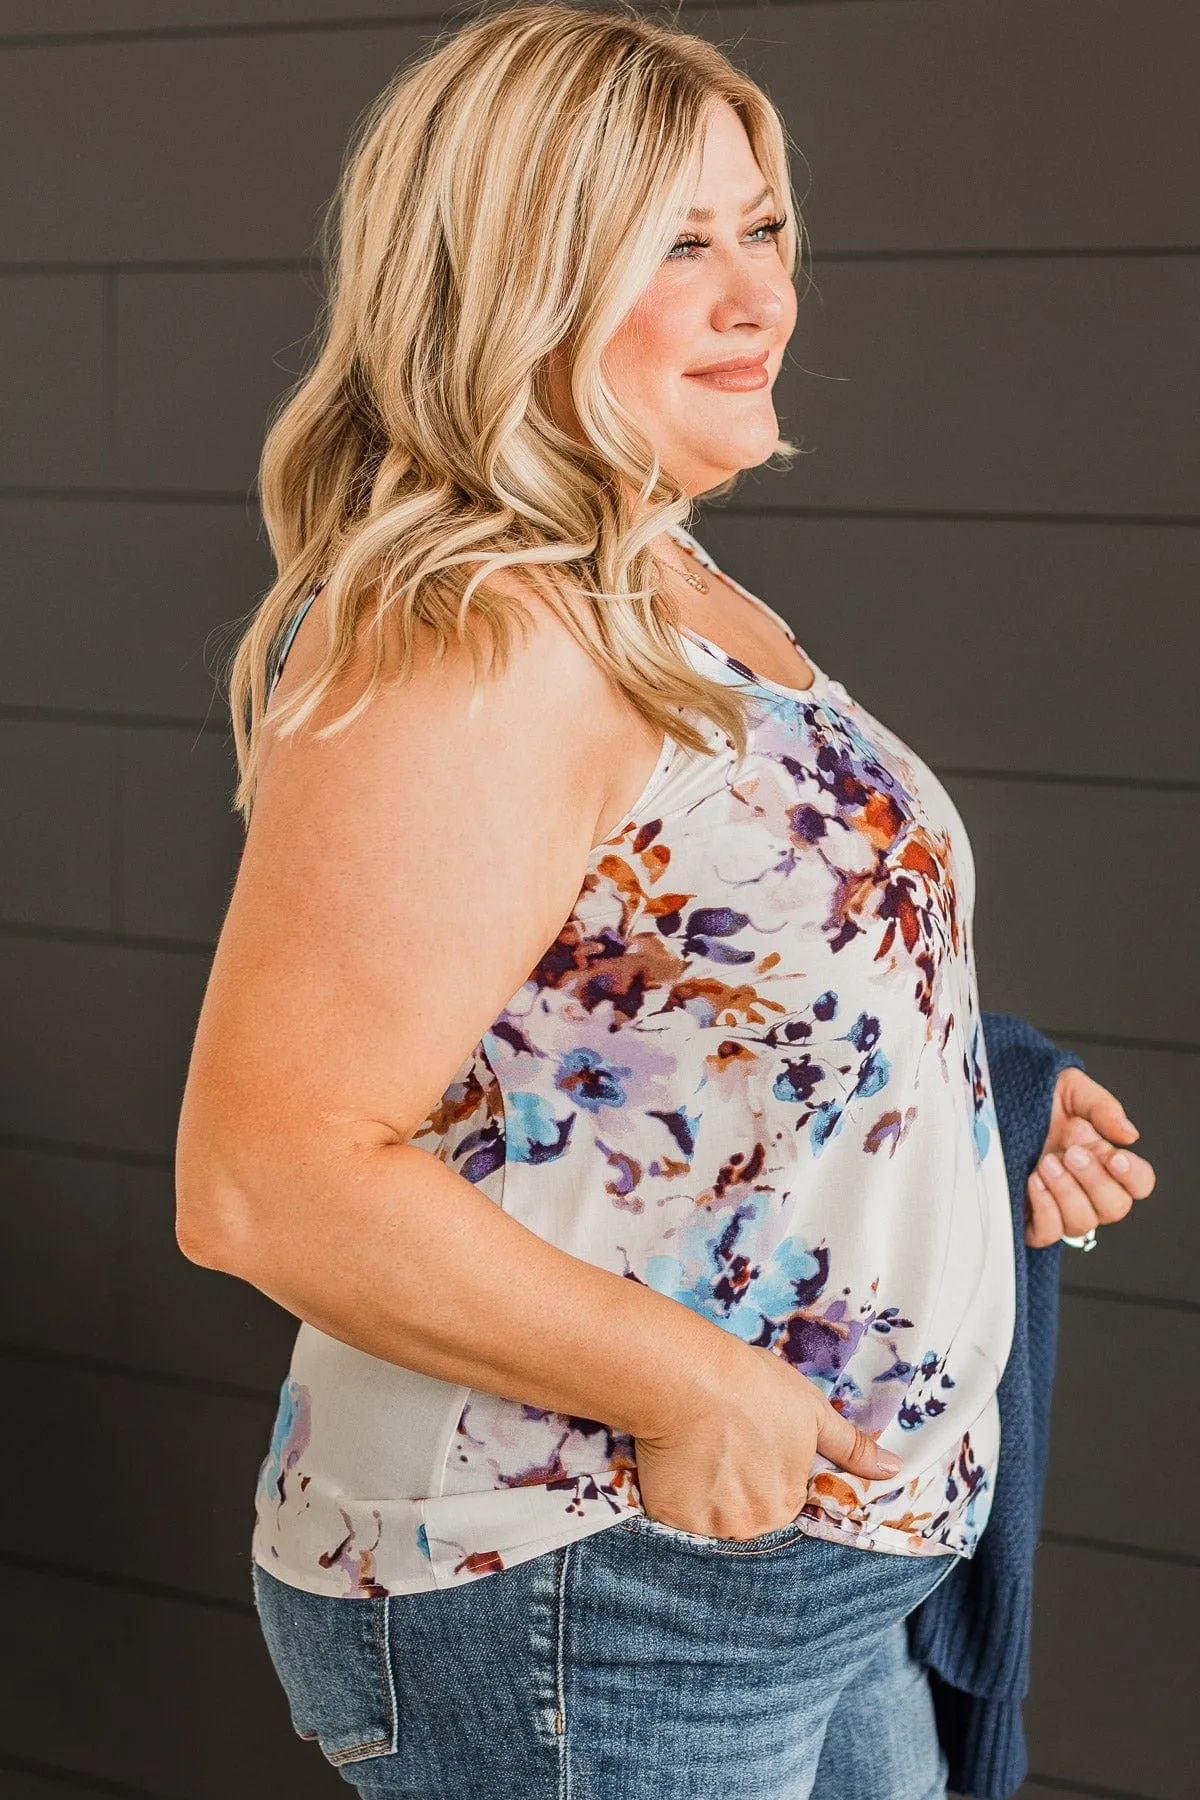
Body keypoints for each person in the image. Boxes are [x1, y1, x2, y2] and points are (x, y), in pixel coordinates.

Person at [173, 6, 1156, 1796]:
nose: (758, 295)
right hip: (592, 1582)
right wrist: (697, 1387)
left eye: (760, 227)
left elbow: (649, 1004)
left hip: (800, 1567)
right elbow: (269, 1174)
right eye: (673, 243)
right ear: (512, 285)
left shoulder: (664, 582)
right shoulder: (473, 627)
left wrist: (956, 1119)